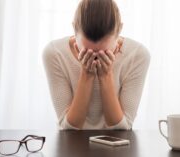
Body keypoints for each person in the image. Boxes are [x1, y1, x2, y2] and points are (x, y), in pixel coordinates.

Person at [43, 0, 150, 130]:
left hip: (117, 148)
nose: (95, 57)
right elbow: (69, 128)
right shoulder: (55, 53)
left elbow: (122, 128)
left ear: (119, 30)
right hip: (71, 146)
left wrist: (106, 75)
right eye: (86, 52)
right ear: (74, 29)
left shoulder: (137, 55)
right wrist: (86, 74)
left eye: (104, 52)